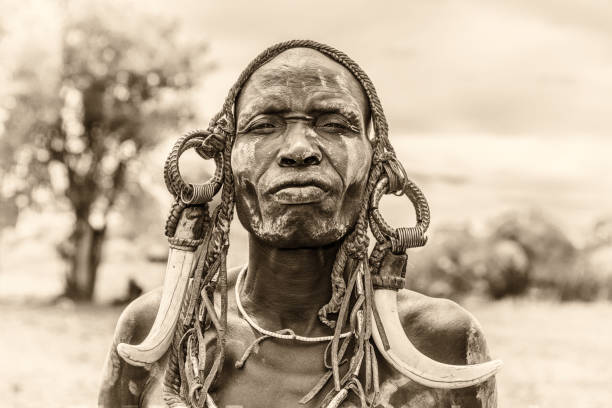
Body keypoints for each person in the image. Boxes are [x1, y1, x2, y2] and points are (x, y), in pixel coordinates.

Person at [99, 40, 499, 408]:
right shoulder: (153, 333)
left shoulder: (441, 342)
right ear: (224, 161)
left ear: (377, 162)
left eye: (334, 124)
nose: (298, 150)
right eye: (263, 125)